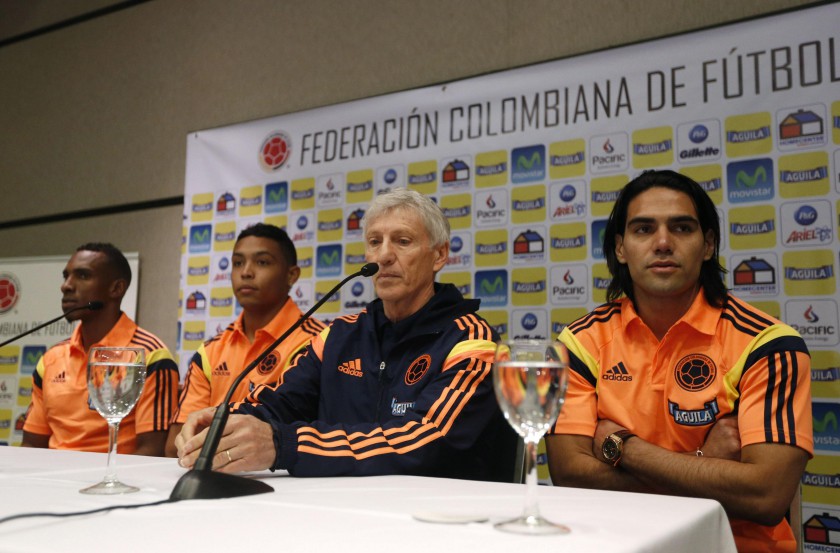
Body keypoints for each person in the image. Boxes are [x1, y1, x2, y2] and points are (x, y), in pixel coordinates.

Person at [545, 170, 813, 553]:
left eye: (682, 228)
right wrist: (702, 461)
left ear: (708, 244)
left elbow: (766, 496)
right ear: (621, 248)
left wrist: (623, 447)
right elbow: (570, 474)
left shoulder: (768, 344)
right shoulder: (582, 342)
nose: (663, 243)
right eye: (643, 229)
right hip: (613, 541)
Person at [175, 188, 516, 481]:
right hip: (339, 515)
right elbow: (280, 403)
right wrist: (224, 421)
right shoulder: (338, 335)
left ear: (439, 255)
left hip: (438, 523)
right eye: (374, 242)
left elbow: (426, 440)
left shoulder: (472, 341)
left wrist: (283, 445)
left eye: (403, 241)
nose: (383, 256)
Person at [165, 223, 324, 457]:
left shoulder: (318, 342)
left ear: (292, 275)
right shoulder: (211, 350)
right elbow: (175, 444)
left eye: (262, 262)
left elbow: (307, 433)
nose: (246, 272)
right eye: (238, 263)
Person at [22, 242, 179, 455]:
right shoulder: (50, 359)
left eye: (83, 276)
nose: (66, 285)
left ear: (116, 288)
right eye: (66, 276)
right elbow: (32, 444)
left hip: (114, 483)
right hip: (52, 484)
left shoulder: (150, 356)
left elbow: (152, 451)